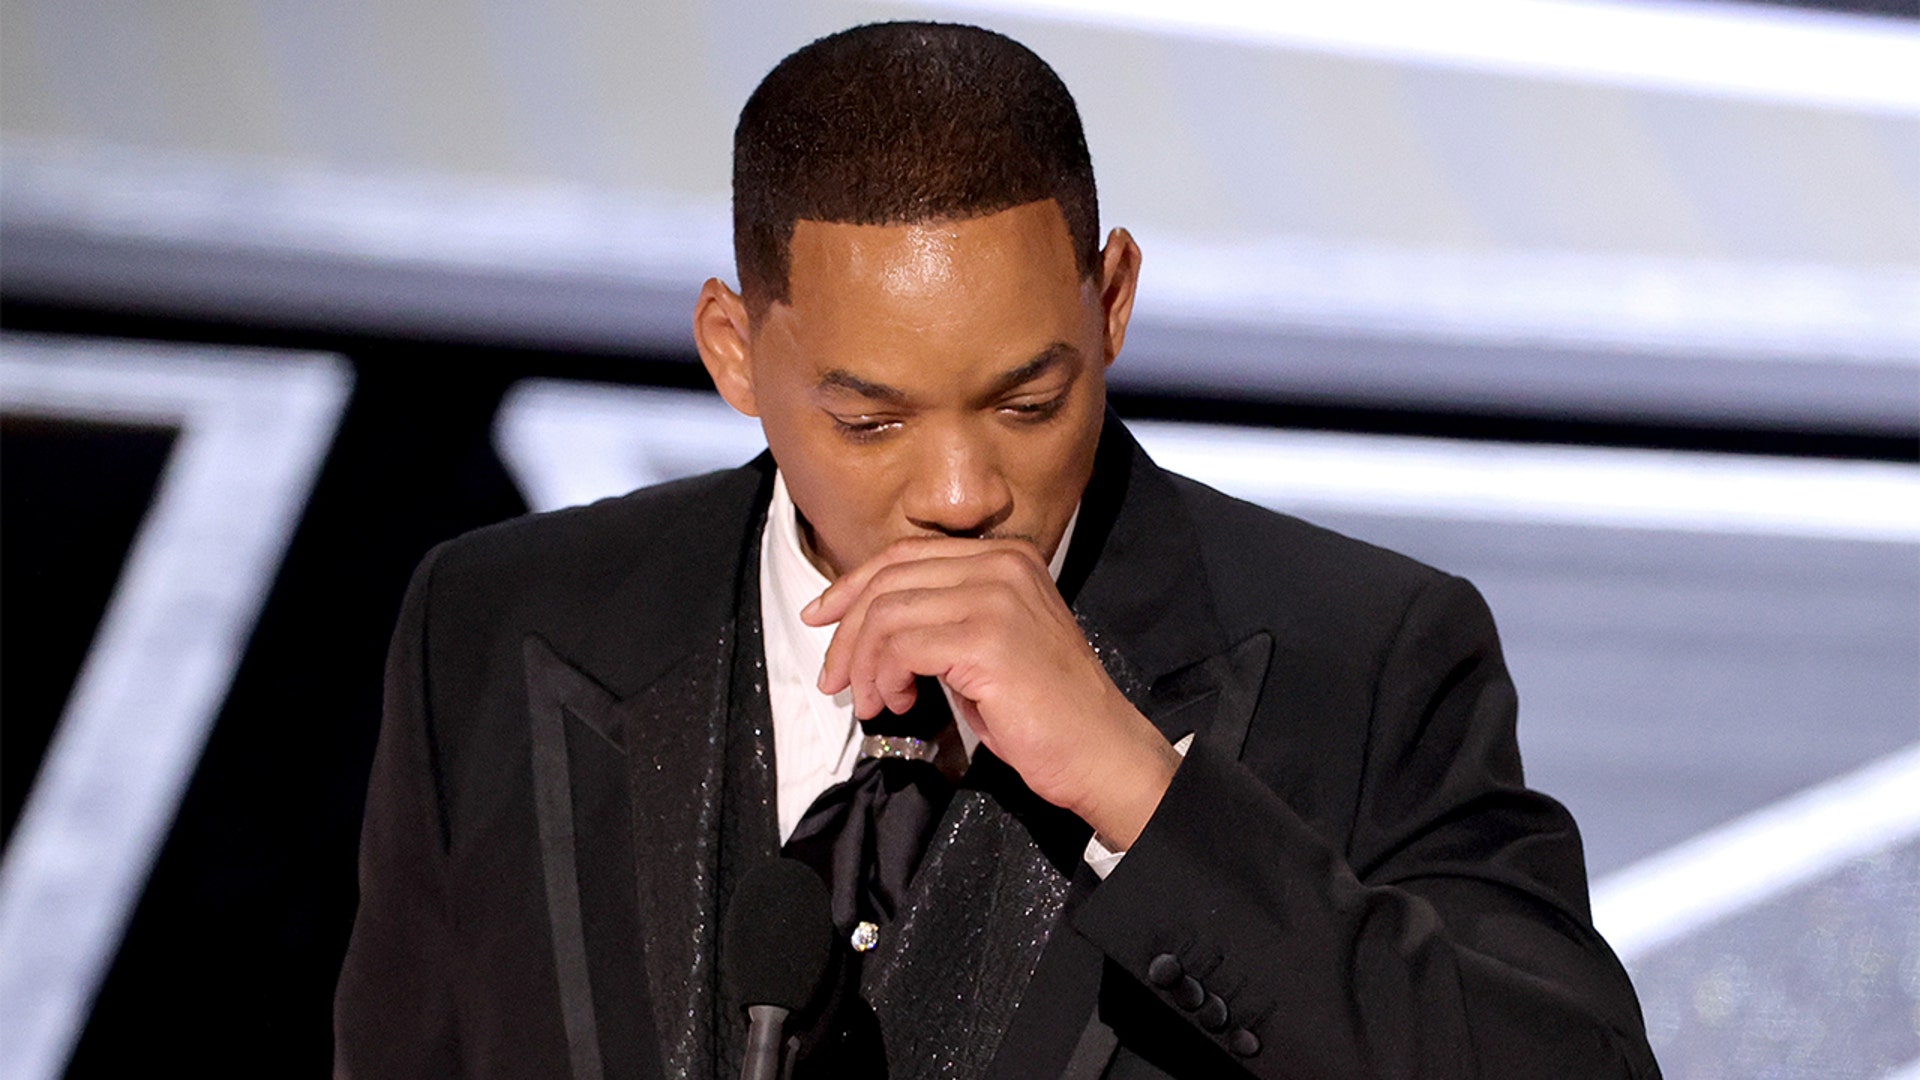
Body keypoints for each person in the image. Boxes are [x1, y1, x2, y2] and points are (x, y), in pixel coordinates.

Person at [335, 21, 1660, 1079]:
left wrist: (1145, 792)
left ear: (1115, 302)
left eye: (1031, 403)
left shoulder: (1364, 660)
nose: (963, 493)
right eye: (871, 420)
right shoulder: (497, 628)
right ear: (734, 351)